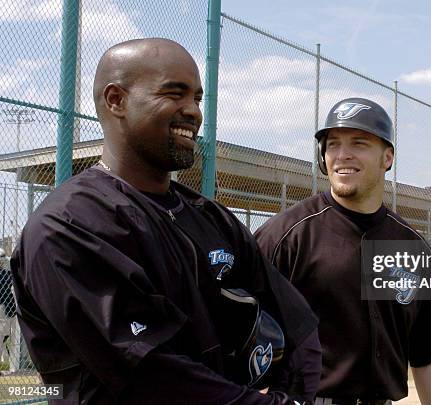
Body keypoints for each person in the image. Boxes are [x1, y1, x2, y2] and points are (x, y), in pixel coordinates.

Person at [10, 38, 321, 404]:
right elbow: (153, 377)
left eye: (197, 98)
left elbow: (297, 327)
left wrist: (291, 394)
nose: (193, 111)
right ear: (116, 100)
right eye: (174, 93)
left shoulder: (211, 217)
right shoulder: (68, 227)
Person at [255, 98, 431, 405]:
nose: (342, 155)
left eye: (359, 143)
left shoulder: (412, 247)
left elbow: (430, 353)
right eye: (333, 144)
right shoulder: (284, 236)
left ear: (387, 157)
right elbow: (237, 337)